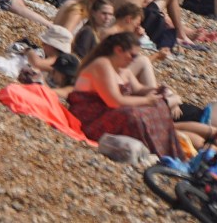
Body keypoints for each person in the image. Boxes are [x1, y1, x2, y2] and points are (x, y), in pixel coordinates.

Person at [65, 31, 179, 160]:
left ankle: (167, 156)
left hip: (107, 113)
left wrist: (160, 90)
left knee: (156, 107)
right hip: (90, 120)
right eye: (132, 55)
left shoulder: (122, 69)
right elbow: (114, 101)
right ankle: (155, 155)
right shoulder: (101, 64)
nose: (134, 59)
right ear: (118, 50)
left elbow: (139, 89)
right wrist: (147, 100)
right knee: (133, 115)